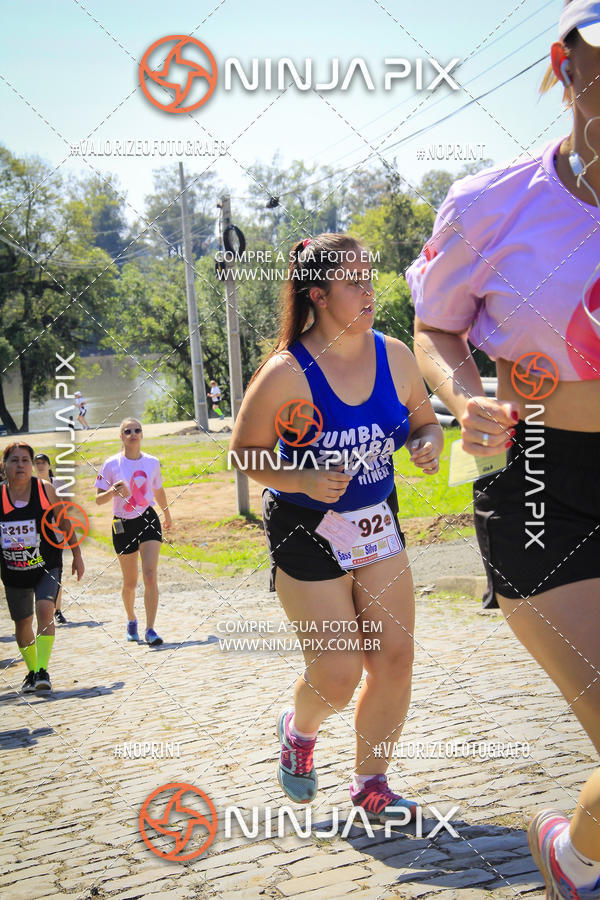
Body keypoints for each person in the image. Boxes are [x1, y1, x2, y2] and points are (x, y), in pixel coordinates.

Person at [406, 1, 600, 895]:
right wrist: (467, 395)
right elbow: (435, 328)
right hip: (540, 488)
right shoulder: (492, 206)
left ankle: (576, 856)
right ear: (567, 70)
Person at [230, 233, 443, 821]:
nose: (369, 290)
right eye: (354, 282)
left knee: (395, 656)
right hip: (307, 532)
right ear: (319, 295)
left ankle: (371, 780)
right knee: (339, 671)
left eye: (370, 277)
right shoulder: (285, 372)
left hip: (377, 526)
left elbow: (426, 423)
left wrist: (426, 445)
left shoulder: (395, 355)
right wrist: (298, 480)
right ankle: (299, 732)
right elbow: (244, 453)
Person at [1, 443, 84, 692]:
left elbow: (63, 521)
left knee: (45, 608)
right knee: (22, 622)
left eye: (25, 460)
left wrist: (76, 554)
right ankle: (31, 670)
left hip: (47, 563)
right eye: (14, 460)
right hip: (14, 570)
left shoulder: (45, 489)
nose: (20, 465)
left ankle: (43, 670)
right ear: (4, 466)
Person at [94, 418, 172, 646]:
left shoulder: (152, 462)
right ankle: (131, 620)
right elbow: (98, 499)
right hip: (122, 524)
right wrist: (111, 492)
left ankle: (150, 629)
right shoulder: (110, 464)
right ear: (121, 436)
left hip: (148, 519)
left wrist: (167, 515)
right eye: (127, 431)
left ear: (142, 434)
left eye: (137, 430)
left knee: (149, 575)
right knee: (130, 581)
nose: (133, 434)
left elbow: (158, 490)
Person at [34, 453, 69, 625]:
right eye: (37, 463)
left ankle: (57, 609)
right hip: (35, 537)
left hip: (55, 534)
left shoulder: (58, 484)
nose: (40, 466)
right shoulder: (30, 485)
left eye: (43, 463)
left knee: (56, 571)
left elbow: (66, 508)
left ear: (49, 465)